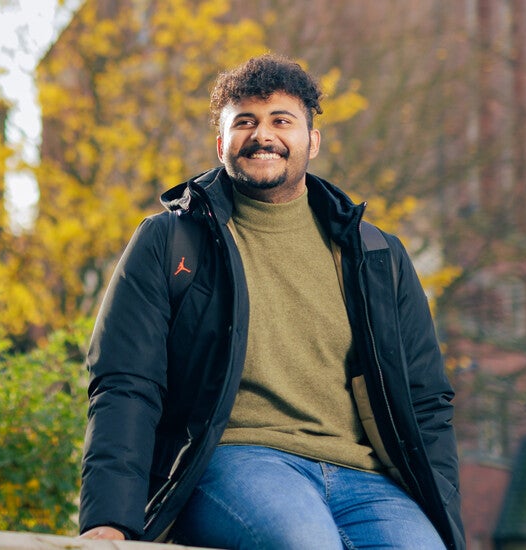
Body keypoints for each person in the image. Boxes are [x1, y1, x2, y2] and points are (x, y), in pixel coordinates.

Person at [75, 55, 464, 549]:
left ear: (312, 141)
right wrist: (110, 520)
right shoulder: (171, 241)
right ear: (222, 144)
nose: (263, 135)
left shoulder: (375, 254)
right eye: (245, 122)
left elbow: (427, 399)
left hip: (366, 477)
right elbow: (126, 382)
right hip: (236, 461)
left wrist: (443, 519)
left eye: (282, 120)